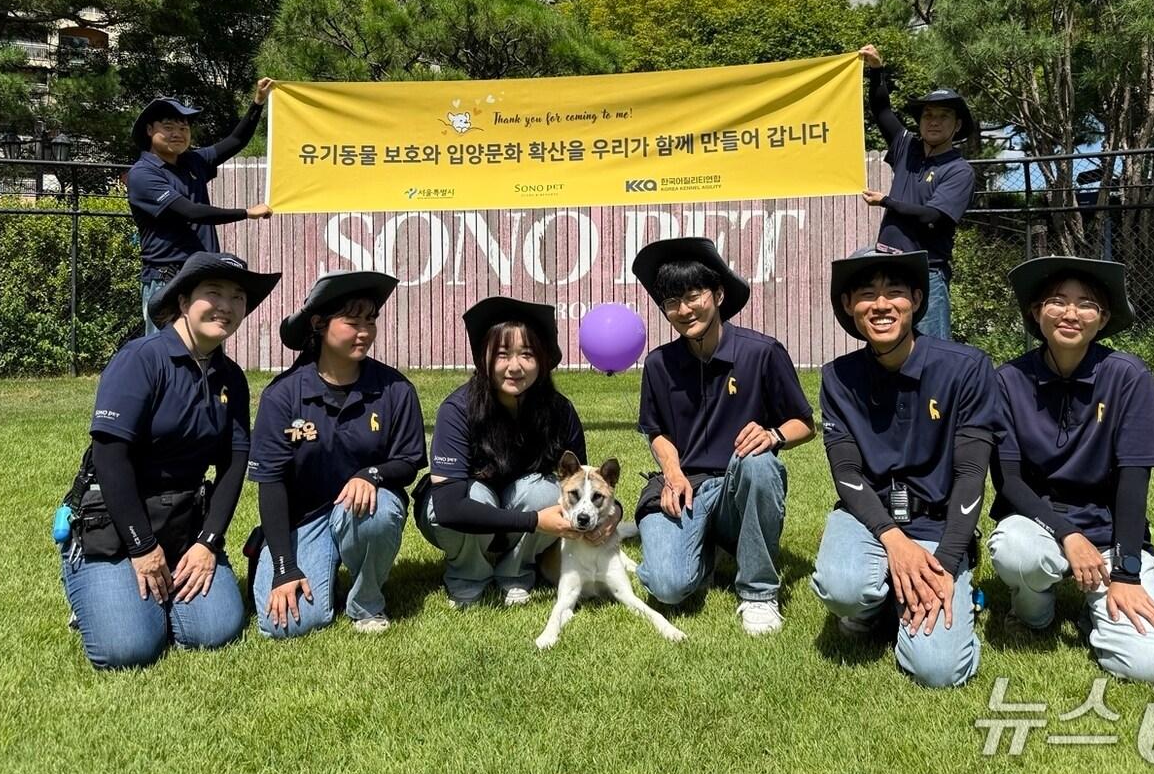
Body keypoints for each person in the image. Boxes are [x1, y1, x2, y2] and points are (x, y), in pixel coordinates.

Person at [57, 252, 281, 669]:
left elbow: (236, 461)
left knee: (214, 632)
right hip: (117, 522)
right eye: (213, 293)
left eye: (238, 297)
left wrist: (208, 542)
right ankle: (88, 584)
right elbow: (110, 458)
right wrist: (142, 548)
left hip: (183, 524)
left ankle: (141, 599)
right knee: (128, 650)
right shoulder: (140, 360)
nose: (227, 306)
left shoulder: (230, 377)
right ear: (182, 302)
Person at [810, 247, 1003, 688]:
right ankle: (870, 607)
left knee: (938, 671)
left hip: (939, 526)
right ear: (848, 306)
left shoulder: (966, 369)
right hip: (871, 519)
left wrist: (946, 564)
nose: (881, 305)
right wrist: (894, 542)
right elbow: (846, 473)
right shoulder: (837, 377)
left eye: (895, 292)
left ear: (916, 299)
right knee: (843, 586)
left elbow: (971, 476)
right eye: (866, 295)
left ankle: (939, 595)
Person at [988, 256, 1154, 684]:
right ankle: (1034, 615)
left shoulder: (1127, 376)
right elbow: (1008, 481)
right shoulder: (1006, 381)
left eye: (1086, 304)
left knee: (1151, 668)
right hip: (1038, 525)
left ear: (1103, 318)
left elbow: (1134, 481)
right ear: (1037, 311)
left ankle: (1096, 617)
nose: (1071, 313)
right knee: (1016, 551)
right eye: (1057, 301)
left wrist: (1127, 572)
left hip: (1109, 538)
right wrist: (1067, 534)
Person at [630, 236, 814, 637]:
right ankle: (702, 550)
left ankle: (759, 593)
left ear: (717, 294)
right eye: (671, 303)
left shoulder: (762, 353)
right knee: (669, 587)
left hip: (737, 485)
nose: (683, 310)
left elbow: (804, 422)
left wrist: (774, 435)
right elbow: (655, 430)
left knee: (760, 463)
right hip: (685, 487)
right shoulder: (659, 364)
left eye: (693, 296)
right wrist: (673, 473)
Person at [248, 271, 425, 638]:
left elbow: (408, 463)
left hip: (361, 508)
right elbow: (271, 483)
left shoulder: (394, 389)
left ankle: (366, 602)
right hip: (303, 518)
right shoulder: (282, 396)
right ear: (319, 324)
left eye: (370, 320)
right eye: (352, 321)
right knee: (284, 626)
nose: (364, 331)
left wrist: (371, 475)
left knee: (379, 511)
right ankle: (282, 559)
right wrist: (283, 567)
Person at [414, 297, 606, 608]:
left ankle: (516, 572)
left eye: (526, 355)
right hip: (472, 512)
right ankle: (468, 575)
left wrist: (615, 515)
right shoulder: (457, 410)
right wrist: (533, 522)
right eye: (502, 355)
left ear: (542, 361)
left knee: (545, 491)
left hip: (521, 510)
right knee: (465, 497)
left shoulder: (559, 411)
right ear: (483, 358)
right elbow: (448, 508)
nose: (514, 367)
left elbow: (586, 485)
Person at [127, 78, 276, 335]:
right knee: (163, 356)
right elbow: (189, 211)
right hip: (167, 278)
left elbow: (236, 141)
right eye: (169, 126)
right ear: (150, 130)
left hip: (202, 274)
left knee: (206, 350)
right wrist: (245, 213)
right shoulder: (143, 174)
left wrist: (257, 103)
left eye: (184, 127)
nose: (178, 133)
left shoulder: (193, 161)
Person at [859, 45, 976, 339]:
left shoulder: (959, 169)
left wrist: (887, 201)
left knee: (934, 354)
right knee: (887, 348)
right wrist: (876, 70)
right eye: (927, 115)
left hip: (927, 274)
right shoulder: (906, 147)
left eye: (943, 116)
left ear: (957, 124)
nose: (933, 121)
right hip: (889, 267)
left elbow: (933, 216)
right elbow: (881, 110)